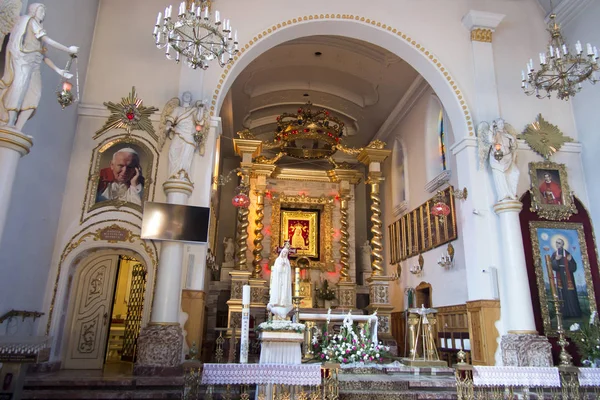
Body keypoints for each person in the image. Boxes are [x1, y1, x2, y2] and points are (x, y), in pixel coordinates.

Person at [0, 3, 79, 131]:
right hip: (24, 61)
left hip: (34, 64)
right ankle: (9, 121)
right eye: (41, 10)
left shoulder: (37, 29)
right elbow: (47, 40)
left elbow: (43, 56)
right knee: (19, 89)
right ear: (34, 11)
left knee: (34, 94)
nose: (43, 13)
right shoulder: (30, 21)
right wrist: (68, 49)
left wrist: (59, 71)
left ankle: (18, 128)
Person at [161, 92, 208, 180]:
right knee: (172, 151)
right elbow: (170, 119)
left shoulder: (194, 109)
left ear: (190, 99)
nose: (187, 96)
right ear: (182, 97)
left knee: (186, 155)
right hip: (178, 132)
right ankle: (173, 174)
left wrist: (201, 107)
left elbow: (199, 119)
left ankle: (183, 173)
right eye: (185, 95)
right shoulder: (177, 109)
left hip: (189, 134)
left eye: (189, 96)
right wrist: (168, 125)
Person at [551, 238, 581, 318]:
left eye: (559, 243)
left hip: (568, 277)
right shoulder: (554, 254)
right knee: (561, 293)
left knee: (570, 294)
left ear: (563, 244)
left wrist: (570, 260)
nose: (558, 244)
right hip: (559, 275)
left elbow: (574, 267)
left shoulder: (567, 254)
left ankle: (574, 313)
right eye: (557, 243)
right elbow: (552, 266)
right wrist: (555, 260)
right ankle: (564, 313)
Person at [267, 243, 293, 320]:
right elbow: (277, 271)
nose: (285, 254)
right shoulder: (278, 260)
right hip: (279, 279)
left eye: (286, 253)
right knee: (279, 291)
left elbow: (288, 272)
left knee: (284, 291)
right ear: (281, 253)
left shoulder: (287, 261)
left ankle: (283, 302)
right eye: (284, 252)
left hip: (285, 280)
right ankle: (277, 301)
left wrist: (285, 266)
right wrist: (281, 266)